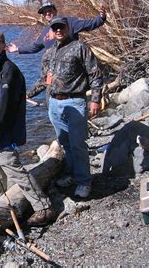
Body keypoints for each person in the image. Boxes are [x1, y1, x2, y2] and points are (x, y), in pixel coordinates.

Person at [0, 30, 55, 226]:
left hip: (0, 135)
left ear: (4, 45)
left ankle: (43, 207)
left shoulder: (9, 70)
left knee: (16, 172)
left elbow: (5, 108)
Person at [46, 17, 103, 198]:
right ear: (51, 31)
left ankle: (84, 181)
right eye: (55, 28)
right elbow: (44, 79)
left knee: (78, 145)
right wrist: (25, 95)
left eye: (61, 27)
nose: (58, 31)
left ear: (68, 28)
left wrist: (95, 99)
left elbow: (95, 73)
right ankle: (72, 174)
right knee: (65, 143)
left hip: (75, 102)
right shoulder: (51, 52)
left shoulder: (80, 47)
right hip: (54, 103)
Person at [7, 1, 107, 54]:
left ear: (55, 11)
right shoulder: (45, 32)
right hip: (55, 74)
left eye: (49, 10)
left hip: (73, 72)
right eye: (44, 12)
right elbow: (35, 47)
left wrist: (101, 18)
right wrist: (18, 49)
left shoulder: (70, 22)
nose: (47, 13)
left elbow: (89, 24)